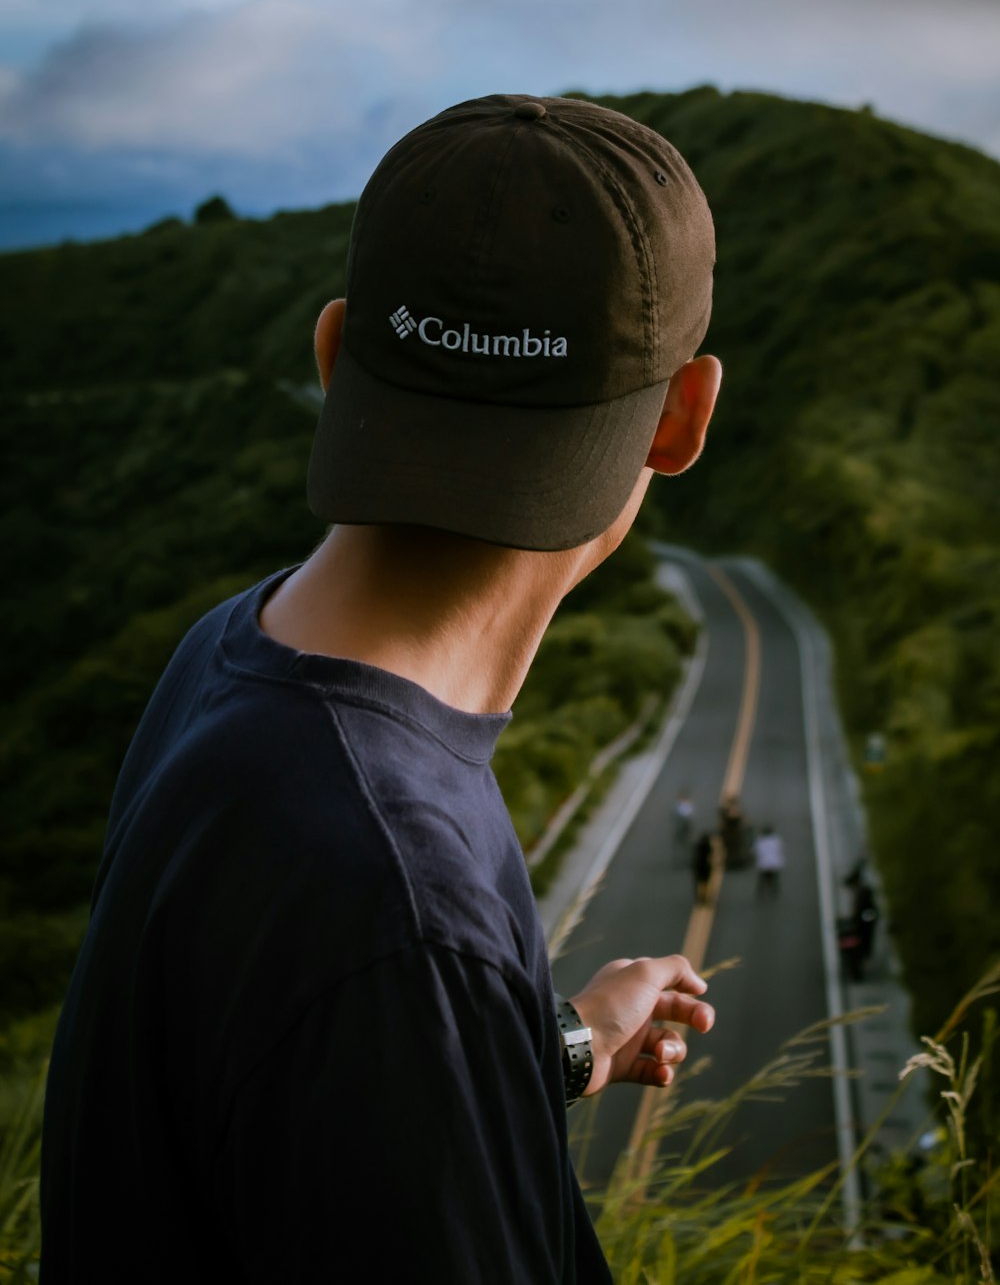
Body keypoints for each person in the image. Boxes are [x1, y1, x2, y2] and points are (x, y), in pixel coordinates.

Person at [39, 94, 722, 1283]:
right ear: (679, 417)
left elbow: (278, 1121)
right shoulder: (402, 905)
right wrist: (445, 1007)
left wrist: (544, 1049)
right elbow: (378, 983)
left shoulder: (227, 656)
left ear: (335, 351)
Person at [754, 824, 785, 896]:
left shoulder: (760, 841)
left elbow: (755, 851)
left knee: (762, 879)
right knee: (775, 877)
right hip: (774, 864)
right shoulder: (776, 840)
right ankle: (775, 890)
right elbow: (781, 849)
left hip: (764, 864)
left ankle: (761, 891)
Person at [692, 831, 715, 905]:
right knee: (705, 882)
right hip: (705, 865)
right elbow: (711, 855)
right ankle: (705, 896)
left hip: (698, 865)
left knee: (700, 882)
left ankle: (701, 896)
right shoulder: (708, 846)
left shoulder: (697, 846)